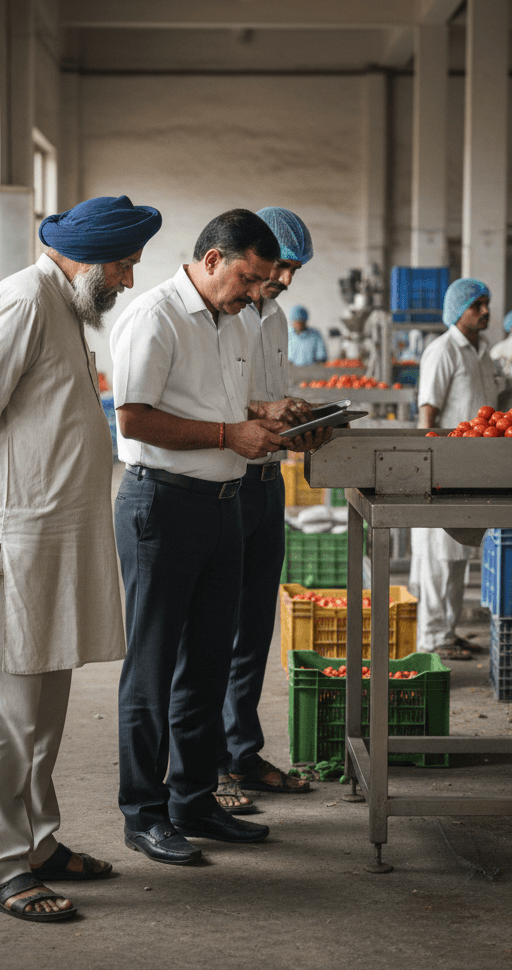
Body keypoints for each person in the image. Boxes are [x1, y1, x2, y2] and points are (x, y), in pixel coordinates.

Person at [0, 195, 162, 923]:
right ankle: (0, 867)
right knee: (7, 712)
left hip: (54, 539)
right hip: (15, 538)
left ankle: (38, 841)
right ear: (88, 258)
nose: (127, 279)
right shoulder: (24, 300)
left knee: (45, 706)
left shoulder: (66, 307)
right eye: (122, 264)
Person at [110, 209, 308, 865]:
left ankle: (193, 799)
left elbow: (215, 402)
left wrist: (264, 412)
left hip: (223, 504)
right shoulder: (156, 316)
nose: (257, 292)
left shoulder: (230, 321)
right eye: (249, 278)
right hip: (162, 506)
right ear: (214, 259)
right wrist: (229, 435)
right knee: (153, 665)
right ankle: (144, 812)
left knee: (207, 662)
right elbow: (135, 418)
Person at [214, 207, 327, 814]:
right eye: (278, 265)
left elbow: (265, 393)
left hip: (266, 480)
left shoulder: (276, 317)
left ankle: (242, 751)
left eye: (293, 269)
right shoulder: (220, 315)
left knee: (255, 626)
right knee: (214, 630)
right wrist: (265, 412)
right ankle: (206, 766)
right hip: (224, 480)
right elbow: (219, 402)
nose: (283, 279)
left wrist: (296, 417)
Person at [411, 278, 499, 660]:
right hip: (445, 464)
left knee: (460, 551)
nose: (484, 311)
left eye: (486, 303)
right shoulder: (442, 350)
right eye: (476, 305)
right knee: (438, 553)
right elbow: (427, 411)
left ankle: (448, 630)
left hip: (476, 466)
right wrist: (427, 468)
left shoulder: (482, 351)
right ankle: (432, 638)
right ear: (457, 310)